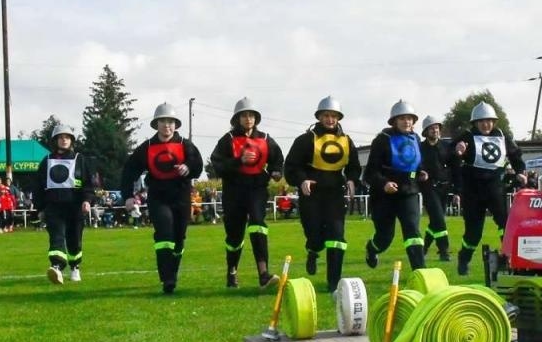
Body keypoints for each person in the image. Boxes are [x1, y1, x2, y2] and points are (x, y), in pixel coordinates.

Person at [122, 103, 204, 294]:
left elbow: (197, 165)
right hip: (158, 196)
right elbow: (129, 170)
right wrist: (127, 196)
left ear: (175, 125)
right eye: (163, 121)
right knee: (164, 233)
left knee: (179, 238)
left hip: (181, 195)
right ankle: (167, 277)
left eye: (170, 122)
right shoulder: (147, 147)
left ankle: (172, 272)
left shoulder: (185, 144)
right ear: (156, 124)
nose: (167, 125)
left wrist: (188, 168)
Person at [284, 96, 362, 292]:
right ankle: (313, 251)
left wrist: (352, 180)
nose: (330, 120)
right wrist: (302, 180)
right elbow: (291, 166)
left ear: (338, 118)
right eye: (326, 115)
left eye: (334, 116)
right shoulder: (305, 140)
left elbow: (354, 166)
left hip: (335, 193)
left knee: (337, 236)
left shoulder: (346, 140)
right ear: (319, 117)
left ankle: (334, 281)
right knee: (316, 237)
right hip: (311, 195)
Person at [209, 97, 284, 289]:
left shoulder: (266, 139)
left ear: (256, 118)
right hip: (233, 191)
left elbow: (278, 158)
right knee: (234, 237)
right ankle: (232, 270)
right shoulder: (228, 140)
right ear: (237, 119)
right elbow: (217, 165)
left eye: (251, 115)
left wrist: (276, 171)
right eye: (244, 116)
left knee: (258, 224)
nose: (248, 119)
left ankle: (264, 275)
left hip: (257, 189)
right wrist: (239, 160)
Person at [451, 101, 526, 276]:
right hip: (473, 191)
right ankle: (464, 259)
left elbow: (516, 155)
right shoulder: (467, 136)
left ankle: (509, 257)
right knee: (473, 233)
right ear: (475, 122)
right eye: (482, 121)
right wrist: (457, 150)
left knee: (505, 225)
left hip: (495, 189)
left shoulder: (502, 136)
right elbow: (449, 154)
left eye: (489, 121)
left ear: (494, 122)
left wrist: (520, 171)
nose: (486, 124)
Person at [364, 100, 429, 272]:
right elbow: (370, 173)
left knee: (413, 232)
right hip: (384, 196)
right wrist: (384, 184)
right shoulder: (382, 140)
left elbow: (415, 164)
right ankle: (372, 249)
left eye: (410, 119)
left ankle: (420, 272)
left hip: (409, 192)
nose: (407, 122)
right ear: (394, 121)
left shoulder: (415, 138)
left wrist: (421, 172)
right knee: (385, 238)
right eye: (402, 119)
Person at [36, 124, 94, 284]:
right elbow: (39, 186)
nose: (64, 140)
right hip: (53, 207)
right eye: (61, 137)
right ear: (55, 140)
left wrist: (87, 200)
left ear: (71, 140)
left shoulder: (80, 160)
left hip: (75, 207)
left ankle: (75, 267)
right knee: (57, 237)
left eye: (67, 137)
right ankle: (56, 267)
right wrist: (40, 208)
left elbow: (88, 183)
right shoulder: (46, 161)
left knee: (74, 239)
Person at [418, 115, 453, 261]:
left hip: (444, 188)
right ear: (426, 131)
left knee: (435, 221)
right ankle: (444, 251)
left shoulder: (446, 146)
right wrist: (419, 173)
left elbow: (454, 165)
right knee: (439, 219)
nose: (435, 130)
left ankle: (424, 248)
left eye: (437, 128)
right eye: (432, 128)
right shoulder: (419, 148)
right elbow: (413, 166)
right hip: (428, 188)